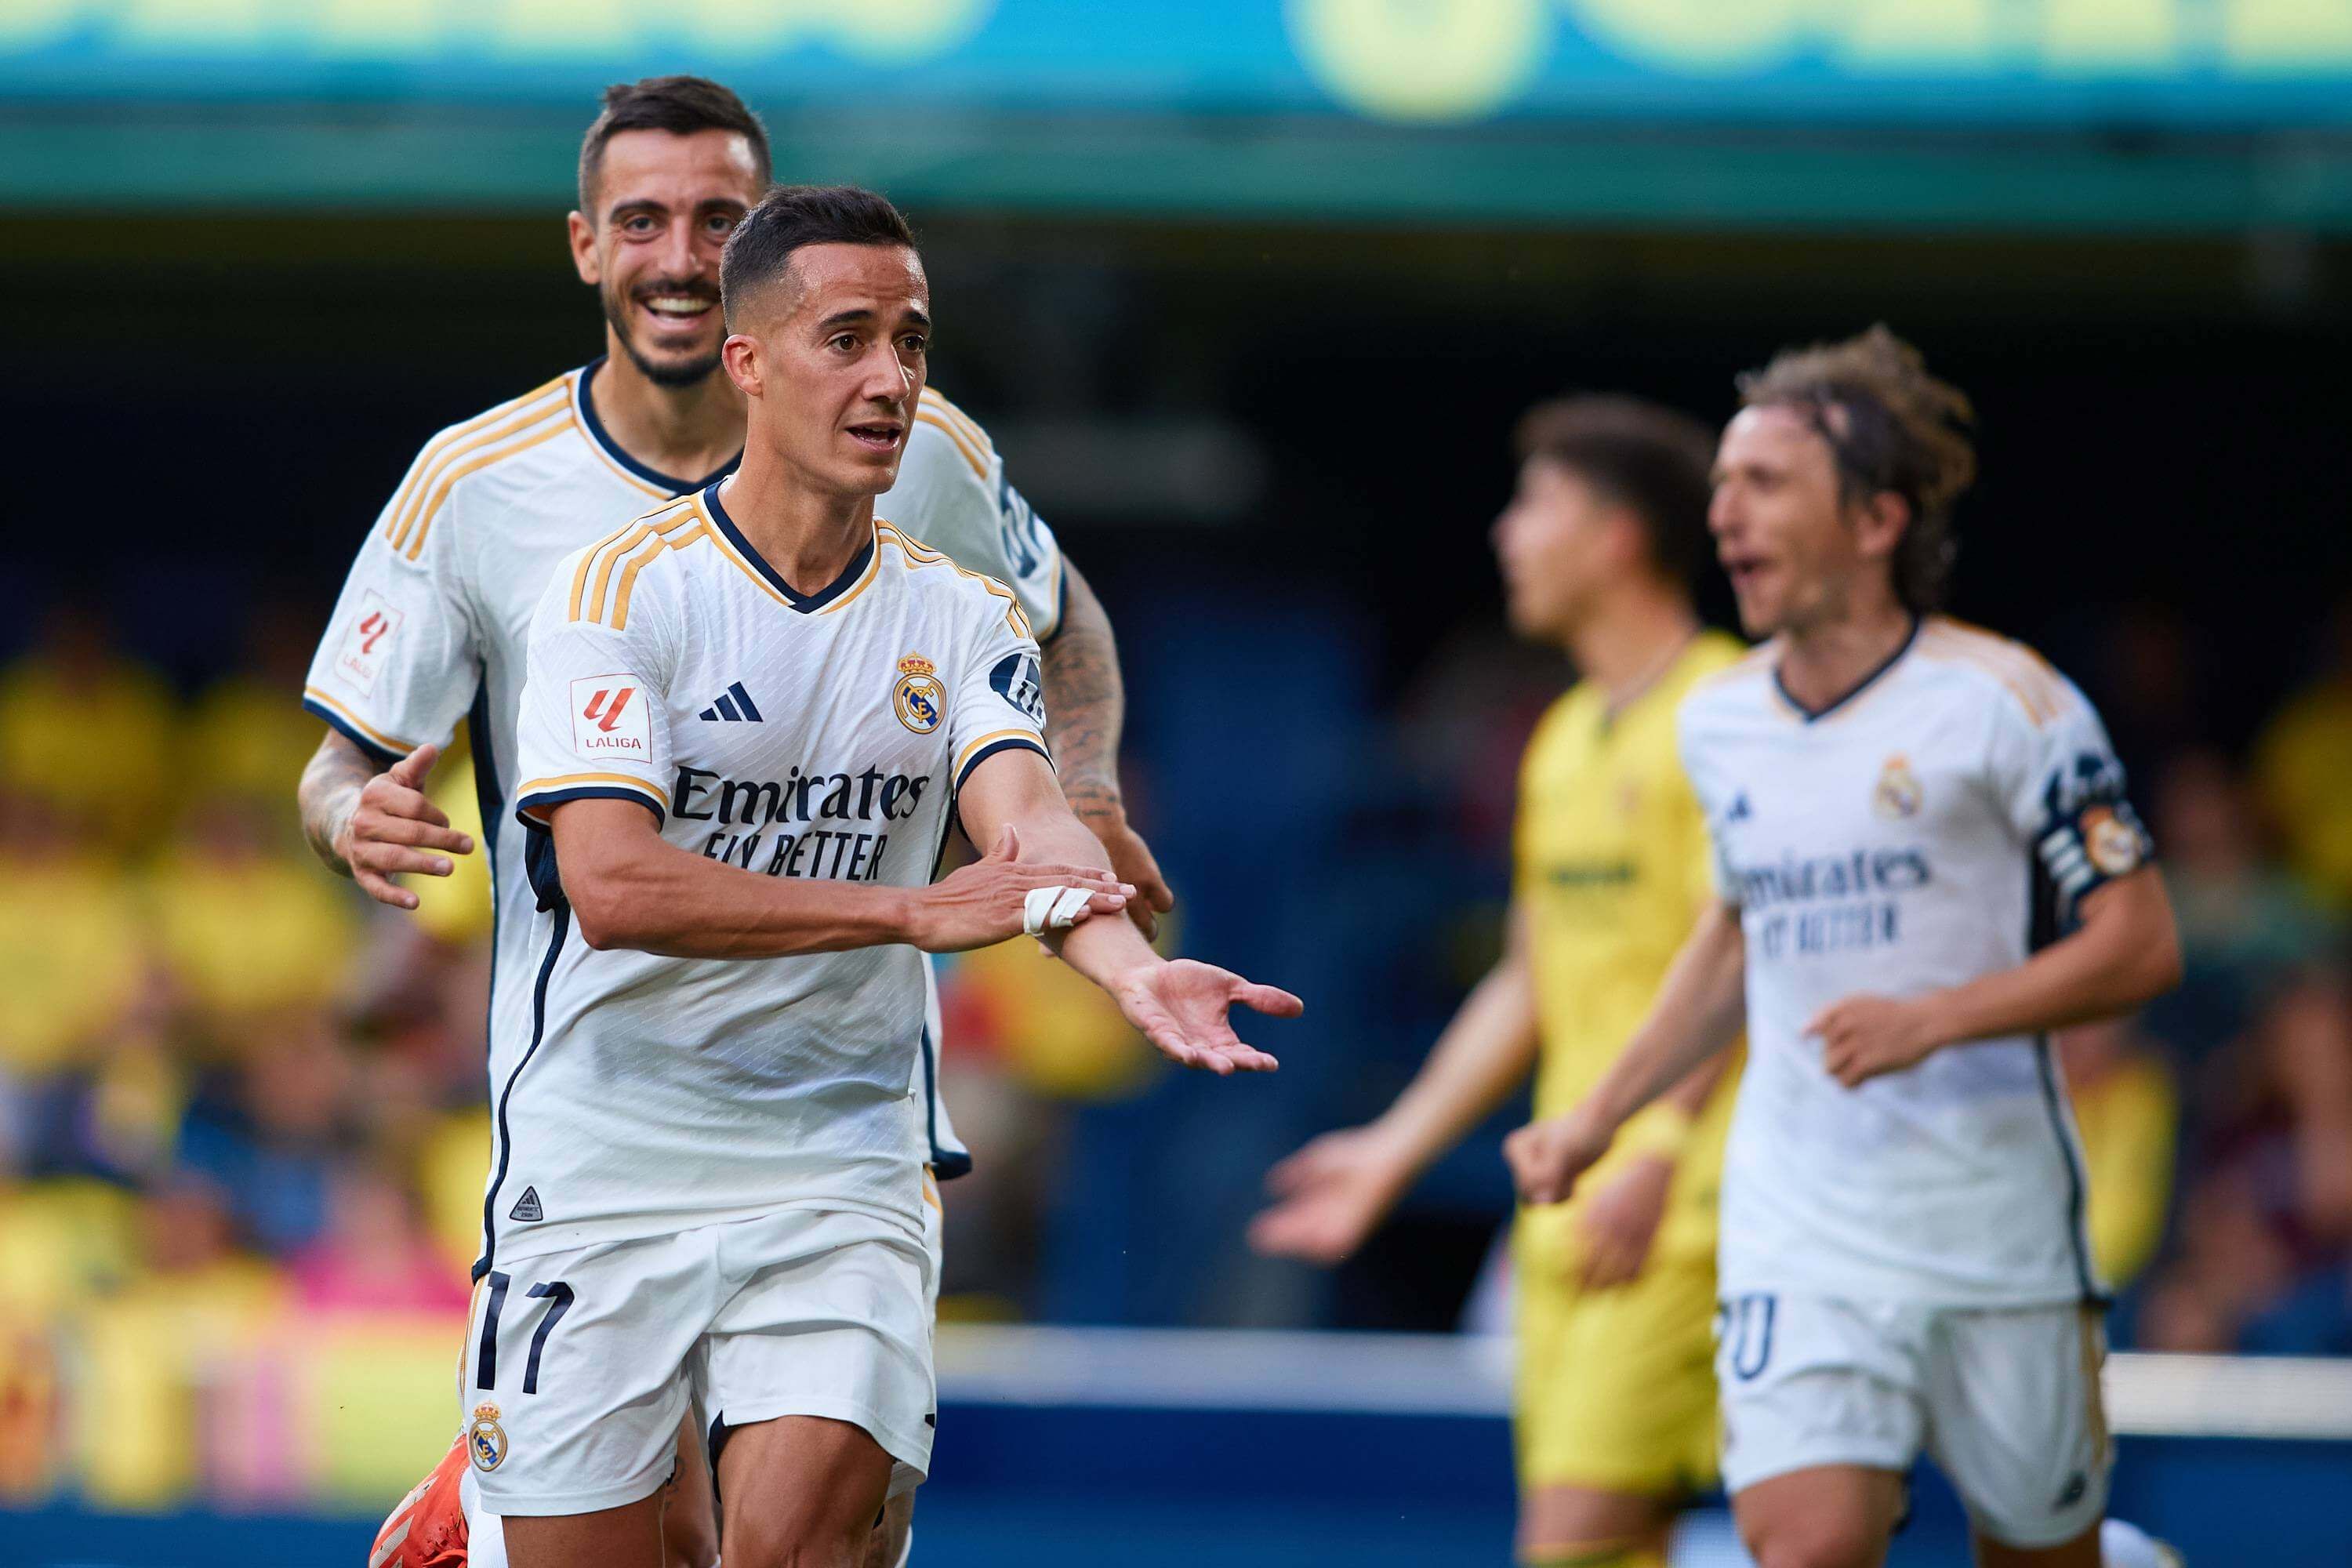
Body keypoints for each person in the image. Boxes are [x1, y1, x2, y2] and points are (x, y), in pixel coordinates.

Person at [296, 77, 1167, 1568]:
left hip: (841, 1128)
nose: (681, 254)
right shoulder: (489, 490)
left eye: (719, 218)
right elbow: (343, 764)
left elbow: (1063, 620)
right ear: (586, 248)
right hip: (598, 1111)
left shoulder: (923, 452)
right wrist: (350, 816)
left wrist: (1078, 793)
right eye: (644, 221)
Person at [477, 182, 1296, 1568]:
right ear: (747, 363)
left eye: (911, 343)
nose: (891, 378)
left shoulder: (956, 611)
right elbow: (615, 887)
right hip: (604, 1162)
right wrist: (915, 910)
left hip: (837, 1164)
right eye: (846, 338)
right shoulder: (617, 598)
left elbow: (1028, 830)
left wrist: (1133, 969)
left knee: (796, 1553)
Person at [1504, 327, 2183, 1568]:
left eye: (1764, 486)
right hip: (1800, 1220)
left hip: (1993, 1222)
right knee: (1805, 1546)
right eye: (1719, 486)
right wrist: (1601, 1117)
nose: (1724, 518)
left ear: (1875, 522)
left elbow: (2139, 946)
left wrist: (1936, 1017)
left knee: (2041, 1551)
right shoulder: (1721, 725)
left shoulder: (2007, 701)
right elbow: (1733, 936)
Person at [1250, 395, 1742, 1567]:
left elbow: (1753, 958)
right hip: (1571, 1207)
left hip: (1689, 1207)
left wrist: (1663, 1150)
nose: (1508, 536)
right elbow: (1529, 978)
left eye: (1537, 507)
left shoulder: (1725, 714)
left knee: (1572, 1541)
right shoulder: (1564, 737)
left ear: (1617, 537)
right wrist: (1393, 1150)